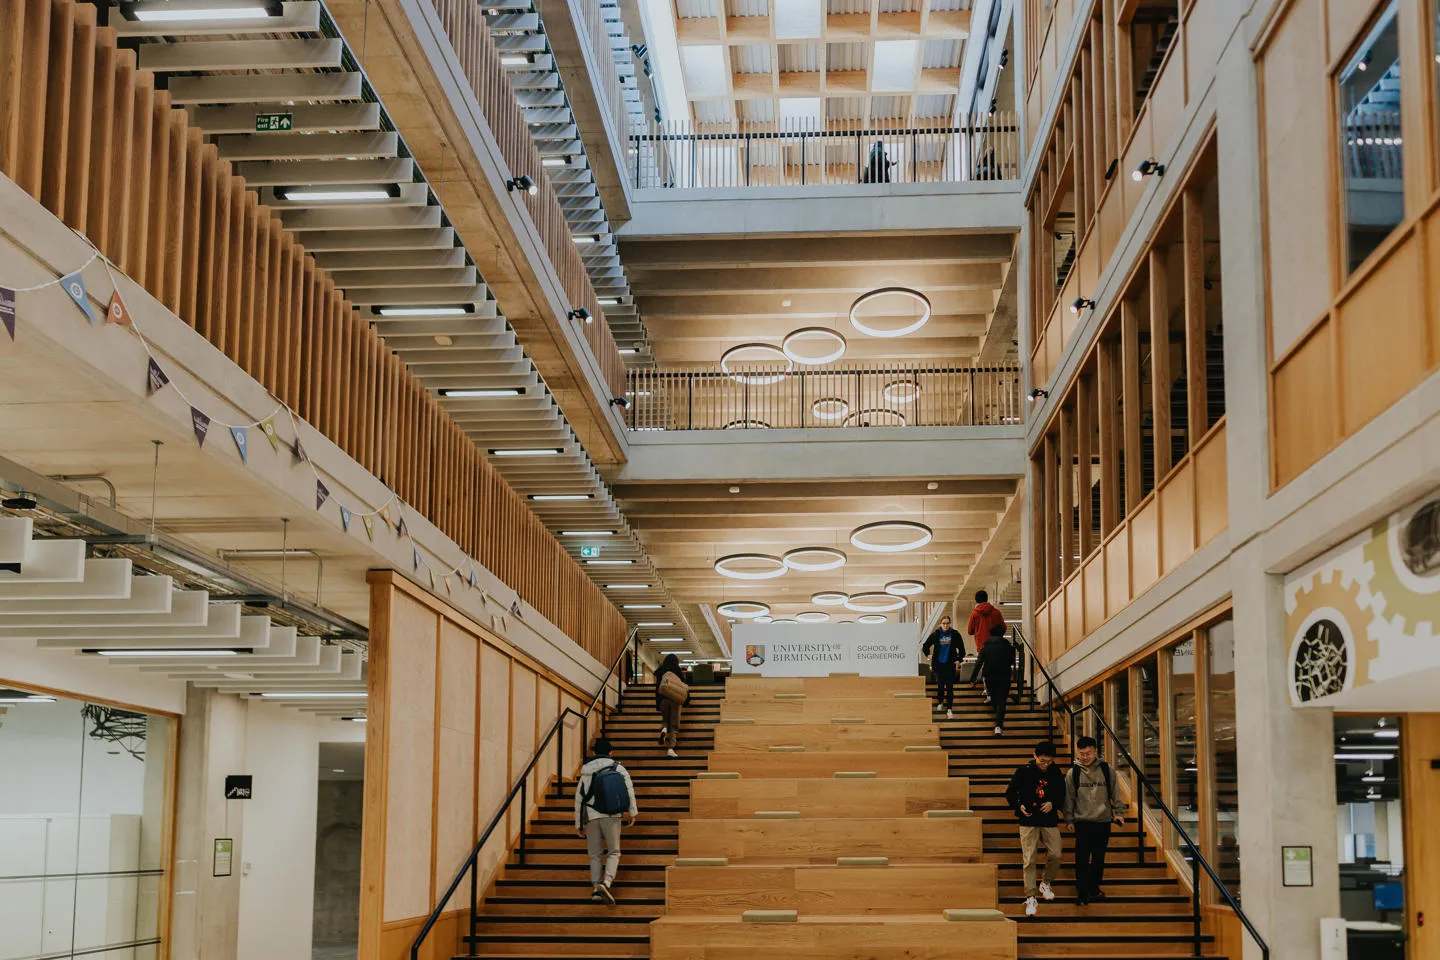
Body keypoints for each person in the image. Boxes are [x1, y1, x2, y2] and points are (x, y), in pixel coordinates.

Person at [1005, 740, 1067, 916]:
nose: (1045, 764)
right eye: (1042, 760)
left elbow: (1062, 794)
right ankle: (1031, 896)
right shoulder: (1023, 771)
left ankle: (1046, 882)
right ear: (1035, 756)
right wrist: (1019, 807)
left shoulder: (1056, 773)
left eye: (1049, 761)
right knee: (1029, 859)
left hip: (1049, 820)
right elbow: (1009, 792)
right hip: (1028, 821)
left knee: (1056, 853)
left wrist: (1053, 803)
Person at [1064, 736, 1126, 906]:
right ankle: (1082, 892)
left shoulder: (1107, 770)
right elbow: (1069, 798)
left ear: (1095, 752)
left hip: (1103, 820)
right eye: (1082, 754)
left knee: (1099, 858)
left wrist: (1119, 812)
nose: (1085, 757)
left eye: (1088, 753)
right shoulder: (1073, 773)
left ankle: (1094, 887)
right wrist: (1068, 818)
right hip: (1082, 821)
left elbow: (1115, 793)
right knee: (1082, 858)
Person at [574, 737, 636, 905]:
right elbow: (629, 790)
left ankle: (595, 889)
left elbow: (579, 798)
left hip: (592, 816)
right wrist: (632, 812)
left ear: (594, 753)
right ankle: (606, 883)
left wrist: (579, 824)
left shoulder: (586, 771)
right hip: (612, 816)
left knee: (594, 854)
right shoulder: (619, 768)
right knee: (614, 851)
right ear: (611, 752)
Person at [922, 614, 966, 719]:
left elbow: (962, 649)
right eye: (943, 623)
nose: (945, 625)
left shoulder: (955, 634)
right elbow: (925, 645)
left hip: (950, 665)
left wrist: (959, 660)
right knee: (940, 686)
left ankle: (949, 709)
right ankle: (940, 702)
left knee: (950, 688)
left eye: (947, 623)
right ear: (940, 624)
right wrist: (928, 655)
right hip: (938, 665)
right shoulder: (936, 634)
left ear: (950, 624)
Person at [973, 623, 1014, 734]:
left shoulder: (986, 645)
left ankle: (998, 721)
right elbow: (1012, 661)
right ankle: (998, 725)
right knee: (1002, 700)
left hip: (989, 675)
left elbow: (979, 662)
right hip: (1004, 675)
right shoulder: (1008, 646)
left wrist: (973, 677)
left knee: (994, 698)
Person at [653, 652, 685, 759]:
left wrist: (657, 703)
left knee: (665, 720)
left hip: (663, 700)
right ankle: (671, 749)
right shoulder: (677, 671)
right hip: (674, 700)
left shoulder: (661, 671)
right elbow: (683, 687)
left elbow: (657, 689)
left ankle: (663, 730)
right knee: (673, 725)